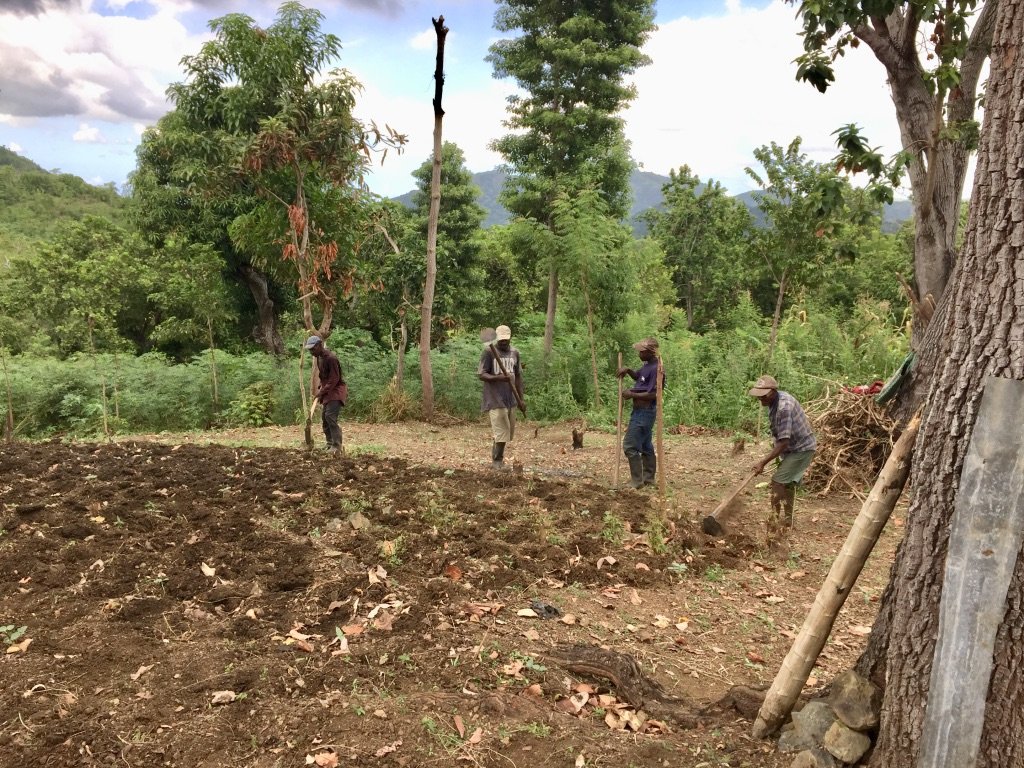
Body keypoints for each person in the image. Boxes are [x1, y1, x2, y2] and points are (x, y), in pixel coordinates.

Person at [748, 375, 816, 547]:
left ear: (773, 392)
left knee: (778, 482)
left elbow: (784, 442)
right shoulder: (773, 402)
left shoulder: (784, 407)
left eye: (763, 395)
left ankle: (774, 522)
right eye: (759, 395)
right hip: (792, 448)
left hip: (801, 449)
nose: (760, 398)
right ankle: (787, 522)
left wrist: (763, 462)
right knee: (787, 485)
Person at [477, 325, 525, 470]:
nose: (503, 342)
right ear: (497, 338)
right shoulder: (488, 352)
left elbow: (518, 377)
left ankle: (497, 457)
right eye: (501, 340)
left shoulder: (515, 353)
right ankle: (497, 461)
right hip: (494, 398)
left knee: (507, 432)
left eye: (506, 340)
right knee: (501, 430)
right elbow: (481, 374)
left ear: (510, 338)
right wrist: (498, 378)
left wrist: (521, 399)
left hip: (510, 398)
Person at [617, 338, 663, 489]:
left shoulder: (657, 369)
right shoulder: (647, 366)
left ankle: (637, 482)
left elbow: (654, 394)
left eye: (642, 351)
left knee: (630, 446)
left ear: (650, 352)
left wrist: (632, 394)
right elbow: (640, 378)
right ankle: (648, 479)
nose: (639, 353)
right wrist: (629, 371)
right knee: (645, 445)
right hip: (639, 411)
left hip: (645, 412)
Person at [305, 335, 348, 454]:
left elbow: (334, 378)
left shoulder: (331, 358)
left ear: (319, 345)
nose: (311, 352)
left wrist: (321, 392)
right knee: (325, 418)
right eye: (309, 350)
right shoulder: (319, 358)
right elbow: (323, 376)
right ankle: (330, 444)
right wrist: (320, 387)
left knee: (330, 417)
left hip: (336, 392)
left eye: (313, 349)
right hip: (328, 391)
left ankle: (337, 446)